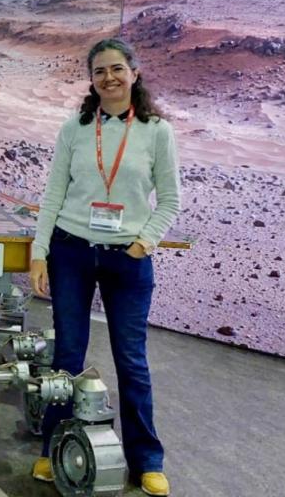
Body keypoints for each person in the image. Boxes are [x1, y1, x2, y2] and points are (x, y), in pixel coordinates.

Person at [28, 37, 180, 496]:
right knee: (67, 358)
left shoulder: (157, 131)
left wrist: (143, 242)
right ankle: (52, 447)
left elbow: (170, 201)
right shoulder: (76, 127)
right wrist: (40, 251)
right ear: (91, 81)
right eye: (99, 72)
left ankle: (147, 459)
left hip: (127, 261)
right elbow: (54, 193)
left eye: (117, 69)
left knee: (131, 361)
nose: (109, 78)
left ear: (134, 72)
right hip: (71, 251)